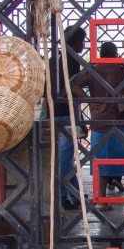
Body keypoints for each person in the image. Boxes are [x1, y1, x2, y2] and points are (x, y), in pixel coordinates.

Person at [72, 41, 124, 211]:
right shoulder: (121, 70)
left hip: (100, 122)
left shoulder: (92, 71)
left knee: (101, 163)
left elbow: (74, 85)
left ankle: (102, 201)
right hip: (123, 122)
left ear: (100, 54)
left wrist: (91, 100)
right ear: (115, 53)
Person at [52, 26, 86, 210]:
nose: (84, 45)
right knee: (65, 158)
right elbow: (72, 91)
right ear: (76, 42)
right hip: (65, 114)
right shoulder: (72, 61)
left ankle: (75, 196)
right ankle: (63, 196)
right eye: (83, 41)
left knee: (66, 158)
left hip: (54, 113)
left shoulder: (54, 59)